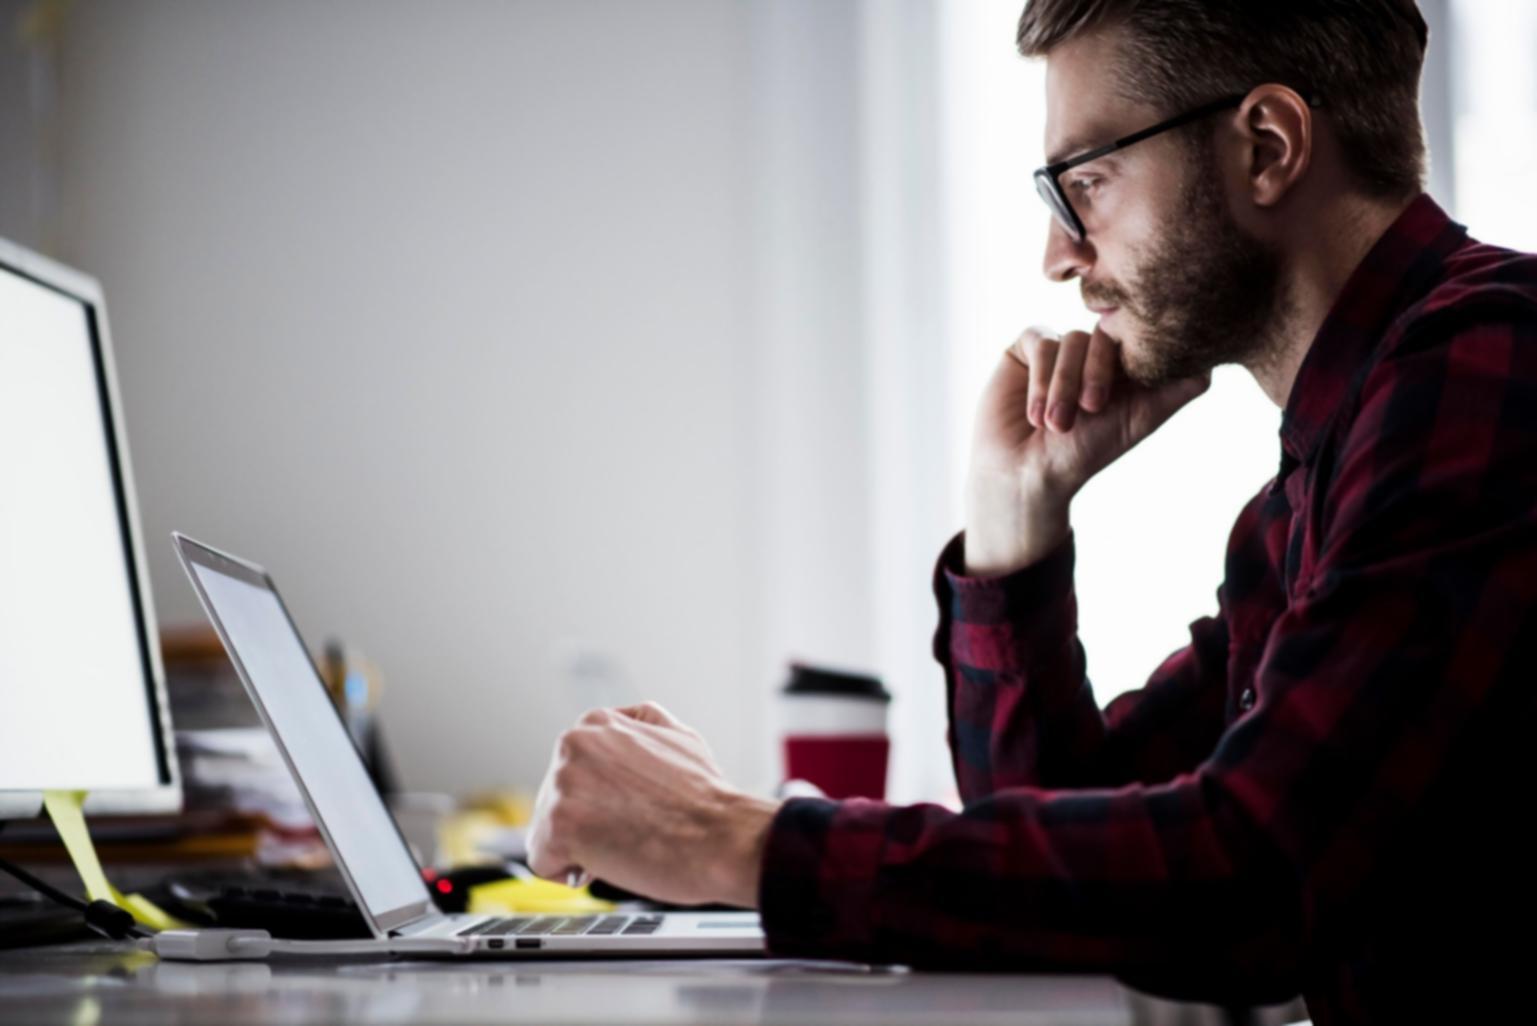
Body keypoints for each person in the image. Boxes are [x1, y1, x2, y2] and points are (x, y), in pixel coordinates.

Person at [526, 2, 1537, 1022]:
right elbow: (1068, 839)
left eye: (1086, 182)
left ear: (1266, 147)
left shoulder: (1488, 367)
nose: (1058, 257)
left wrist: (725, 840)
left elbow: (1253, 882)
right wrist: (1013, 528)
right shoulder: (1317, 482)